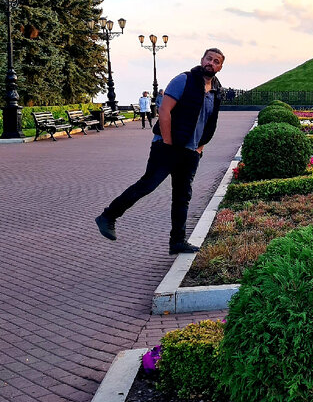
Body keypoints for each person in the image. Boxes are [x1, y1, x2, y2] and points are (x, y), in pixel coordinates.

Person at [96, 47, 225, 254]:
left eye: (216, 61)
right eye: (209, 58)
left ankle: (177, 241)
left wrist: (200, 147)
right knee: (147, 185)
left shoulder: (216, 90)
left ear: (220, 67)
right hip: (167, 147)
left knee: (183, 196)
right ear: (202, 60)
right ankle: (108, 216)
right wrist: (168, 142)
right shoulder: (184, 80)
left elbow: (210, 121)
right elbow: (164, 111)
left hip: (191, 151)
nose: (211, 63)